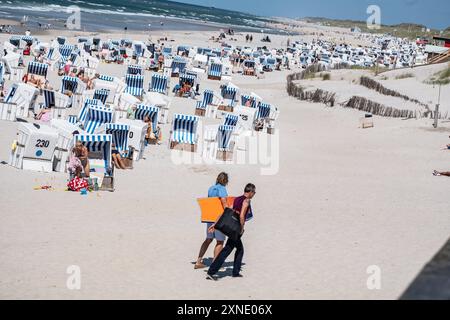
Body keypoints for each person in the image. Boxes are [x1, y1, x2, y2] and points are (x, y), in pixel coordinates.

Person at [206, 183, 256, 280]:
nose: (254, 194)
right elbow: (242, 216)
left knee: (238, 249)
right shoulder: (246, 201)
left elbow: (227, 211)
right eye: (254, 192)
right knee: (227, 250)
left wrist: (215, 223)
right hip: (236, 229)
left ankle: (235, 272)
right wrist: (241, 228)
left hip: (231, 228)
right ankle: (212, 272)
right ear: (250, 192)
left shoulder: (237, 199)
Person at [194, 172, 230, 269]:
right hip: (218, 219)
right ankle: (215, 264)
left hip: (209, 217)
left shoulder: (211, 188)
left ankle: (198, 261)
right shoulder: (222, 189)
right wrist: (229, 211)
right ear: (225, 180)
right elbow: (223, 202)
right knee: (220, 241)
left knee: (208, 239)